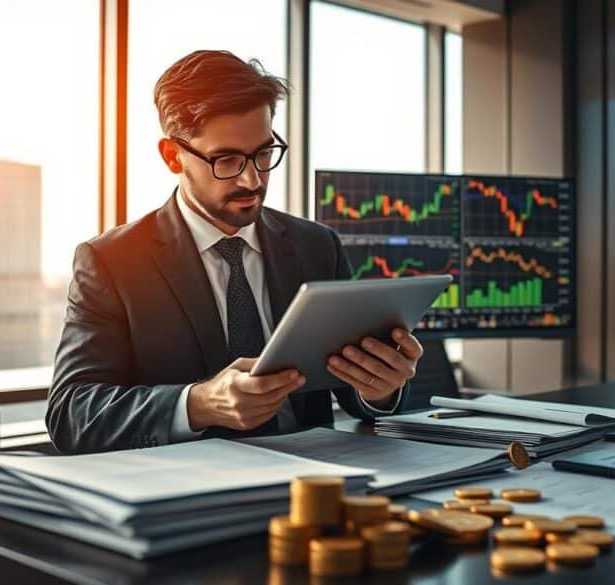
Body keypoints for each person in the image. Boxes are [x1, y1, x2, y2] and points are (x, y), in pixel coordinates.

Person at [46, 50, 422, 454]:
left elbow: (354, 395)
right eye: (226, 159)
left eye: (263, 153)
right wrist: (196, 405)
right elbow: (71, 413)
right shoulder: (110, 262)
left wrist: (380, 388)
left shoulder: (316, 246)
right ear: (173, 156)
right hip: (189, 497)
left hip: (313, 487)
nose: (252, 178)